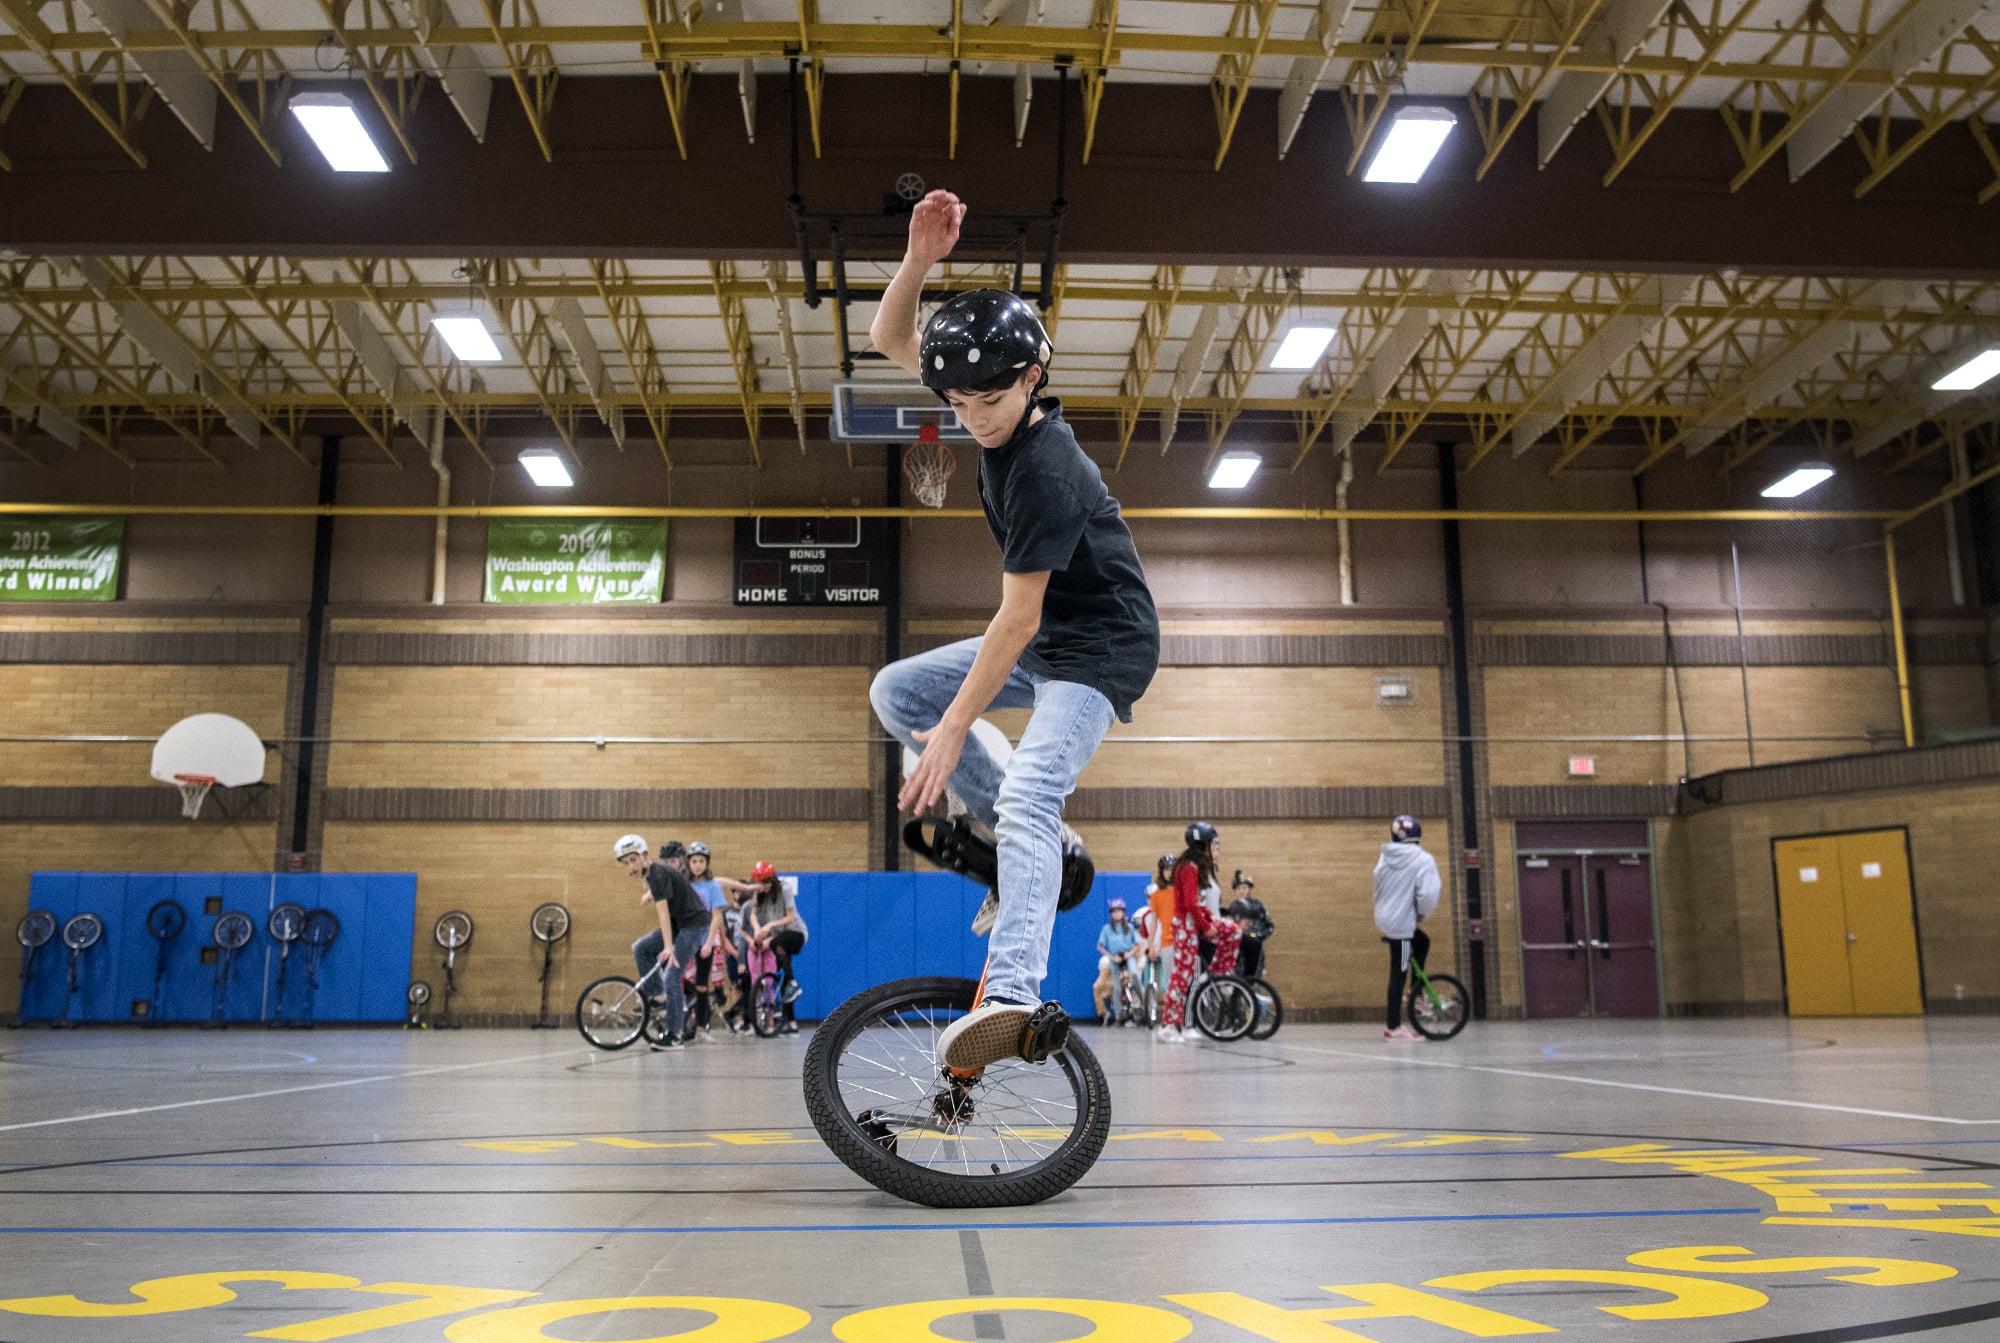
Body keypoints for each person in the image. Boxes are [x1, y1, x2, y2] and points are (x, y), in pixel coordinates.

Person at [867, 188, 1160, 1071]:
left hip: (1100, 642)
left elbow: (1016, 617)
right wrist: (919, 261)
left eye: (987, 401)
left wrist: (957, 731)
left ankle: (1012, 996)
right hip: (1047, 633)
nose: (972, 418)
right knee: (895, 691)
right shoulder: (977, 395)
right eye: (956, 404)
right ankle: (1029, 851)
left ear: (1033, 378)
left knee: (1027, 787)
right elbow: (891, 339)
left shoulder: (1048, 468)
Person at [614, 834, 708, 1050]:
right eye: (626, 863)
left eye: (633, 860)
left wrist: (668, 947)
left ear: (645, 856)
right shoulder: (654, 875)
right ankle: (658, 998)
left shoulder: (657, 874)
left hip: (693, 925)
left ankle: (676, 1035)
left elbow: (663, 913)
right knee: (641, 948)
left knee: (672, 975)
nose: (630, 867)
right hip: (680, 926)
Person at [1158, 822, 1241, 1043]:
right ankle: (1170, 1024)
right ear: (1202, 844)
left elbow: (1195, 904)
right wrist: (1206, 926)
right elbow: (1189, 903)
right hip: (1186, 927)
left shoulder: (1191, 866)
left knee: (1232, 931)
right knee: (1182, 978)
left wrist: (1207, 921)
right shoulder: (1189, 867)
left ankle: (1217, 976)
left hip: (1190, 924)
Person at [1374, 815, 1442, 1041]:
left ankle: (1416, 992)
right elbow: (1428, 895)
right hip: (1401, 924)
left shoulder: (1385, 857)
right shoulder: (1423, 860)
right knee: (1399, 971)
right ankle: (1393, 1027)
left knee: (1422, 942)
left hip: (1385, 917)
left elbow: (1378, 883)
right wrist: (1420, 914)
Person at [686, 841, 755, 1038]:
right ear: (688, 863)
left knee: (701, 985)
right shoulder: (684, 884)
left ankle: (701, 1028)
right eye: (694, 861)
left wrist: (708, 943)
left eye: (701, 861)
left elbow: (717, 917)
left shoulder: (712, 886)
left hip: (706, 941)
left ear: (706, 863)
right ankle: (685, 1020)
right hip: (686, 939)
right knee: (683, 981)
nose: (698, 865)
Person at [743, 860, 808, 1036]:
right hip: (778, 937)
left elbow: (789, 918)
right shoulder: (760, 893)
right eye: (757, 883)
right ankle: (791, 1024)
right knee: (782, 979)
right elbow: (753, 915)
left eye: (763, 883)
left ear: (771, 881)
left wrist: (769, 926)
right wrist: (757, 929)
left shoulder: (784, 889)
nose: (760, 887)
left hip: (795, 933)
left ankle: (794, 983)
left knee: (775, 946)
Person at [1092, 897, 1141, 1026]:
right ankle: (1118, 1017)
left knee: (1134, 974)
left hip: (1127, 956)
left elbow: (1137, 944)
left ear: (1123, 912)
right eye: (1114, 911)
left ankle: (1142, 999)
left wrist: (1129, 953)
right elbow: (1100, 946)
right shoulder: (1107, 929)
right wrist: (1112, 957)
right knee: (1116, 988)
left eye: (1119, 911)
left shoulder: (1129, 928)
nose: (1117, 913)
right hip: (1115, 958)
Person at [1225, 870, 1274, 981]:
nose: (1241, 891)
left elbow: (1269, 925)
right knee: (1237, 981)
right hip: (1238, 950)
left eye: (1244, 888)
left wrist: (1258, 936)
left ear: (1249, 889)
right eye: (1238, 889)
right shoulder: (1232, 908)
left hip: (1255, 948)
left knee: (1254, 980)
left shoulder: (1258, 906)